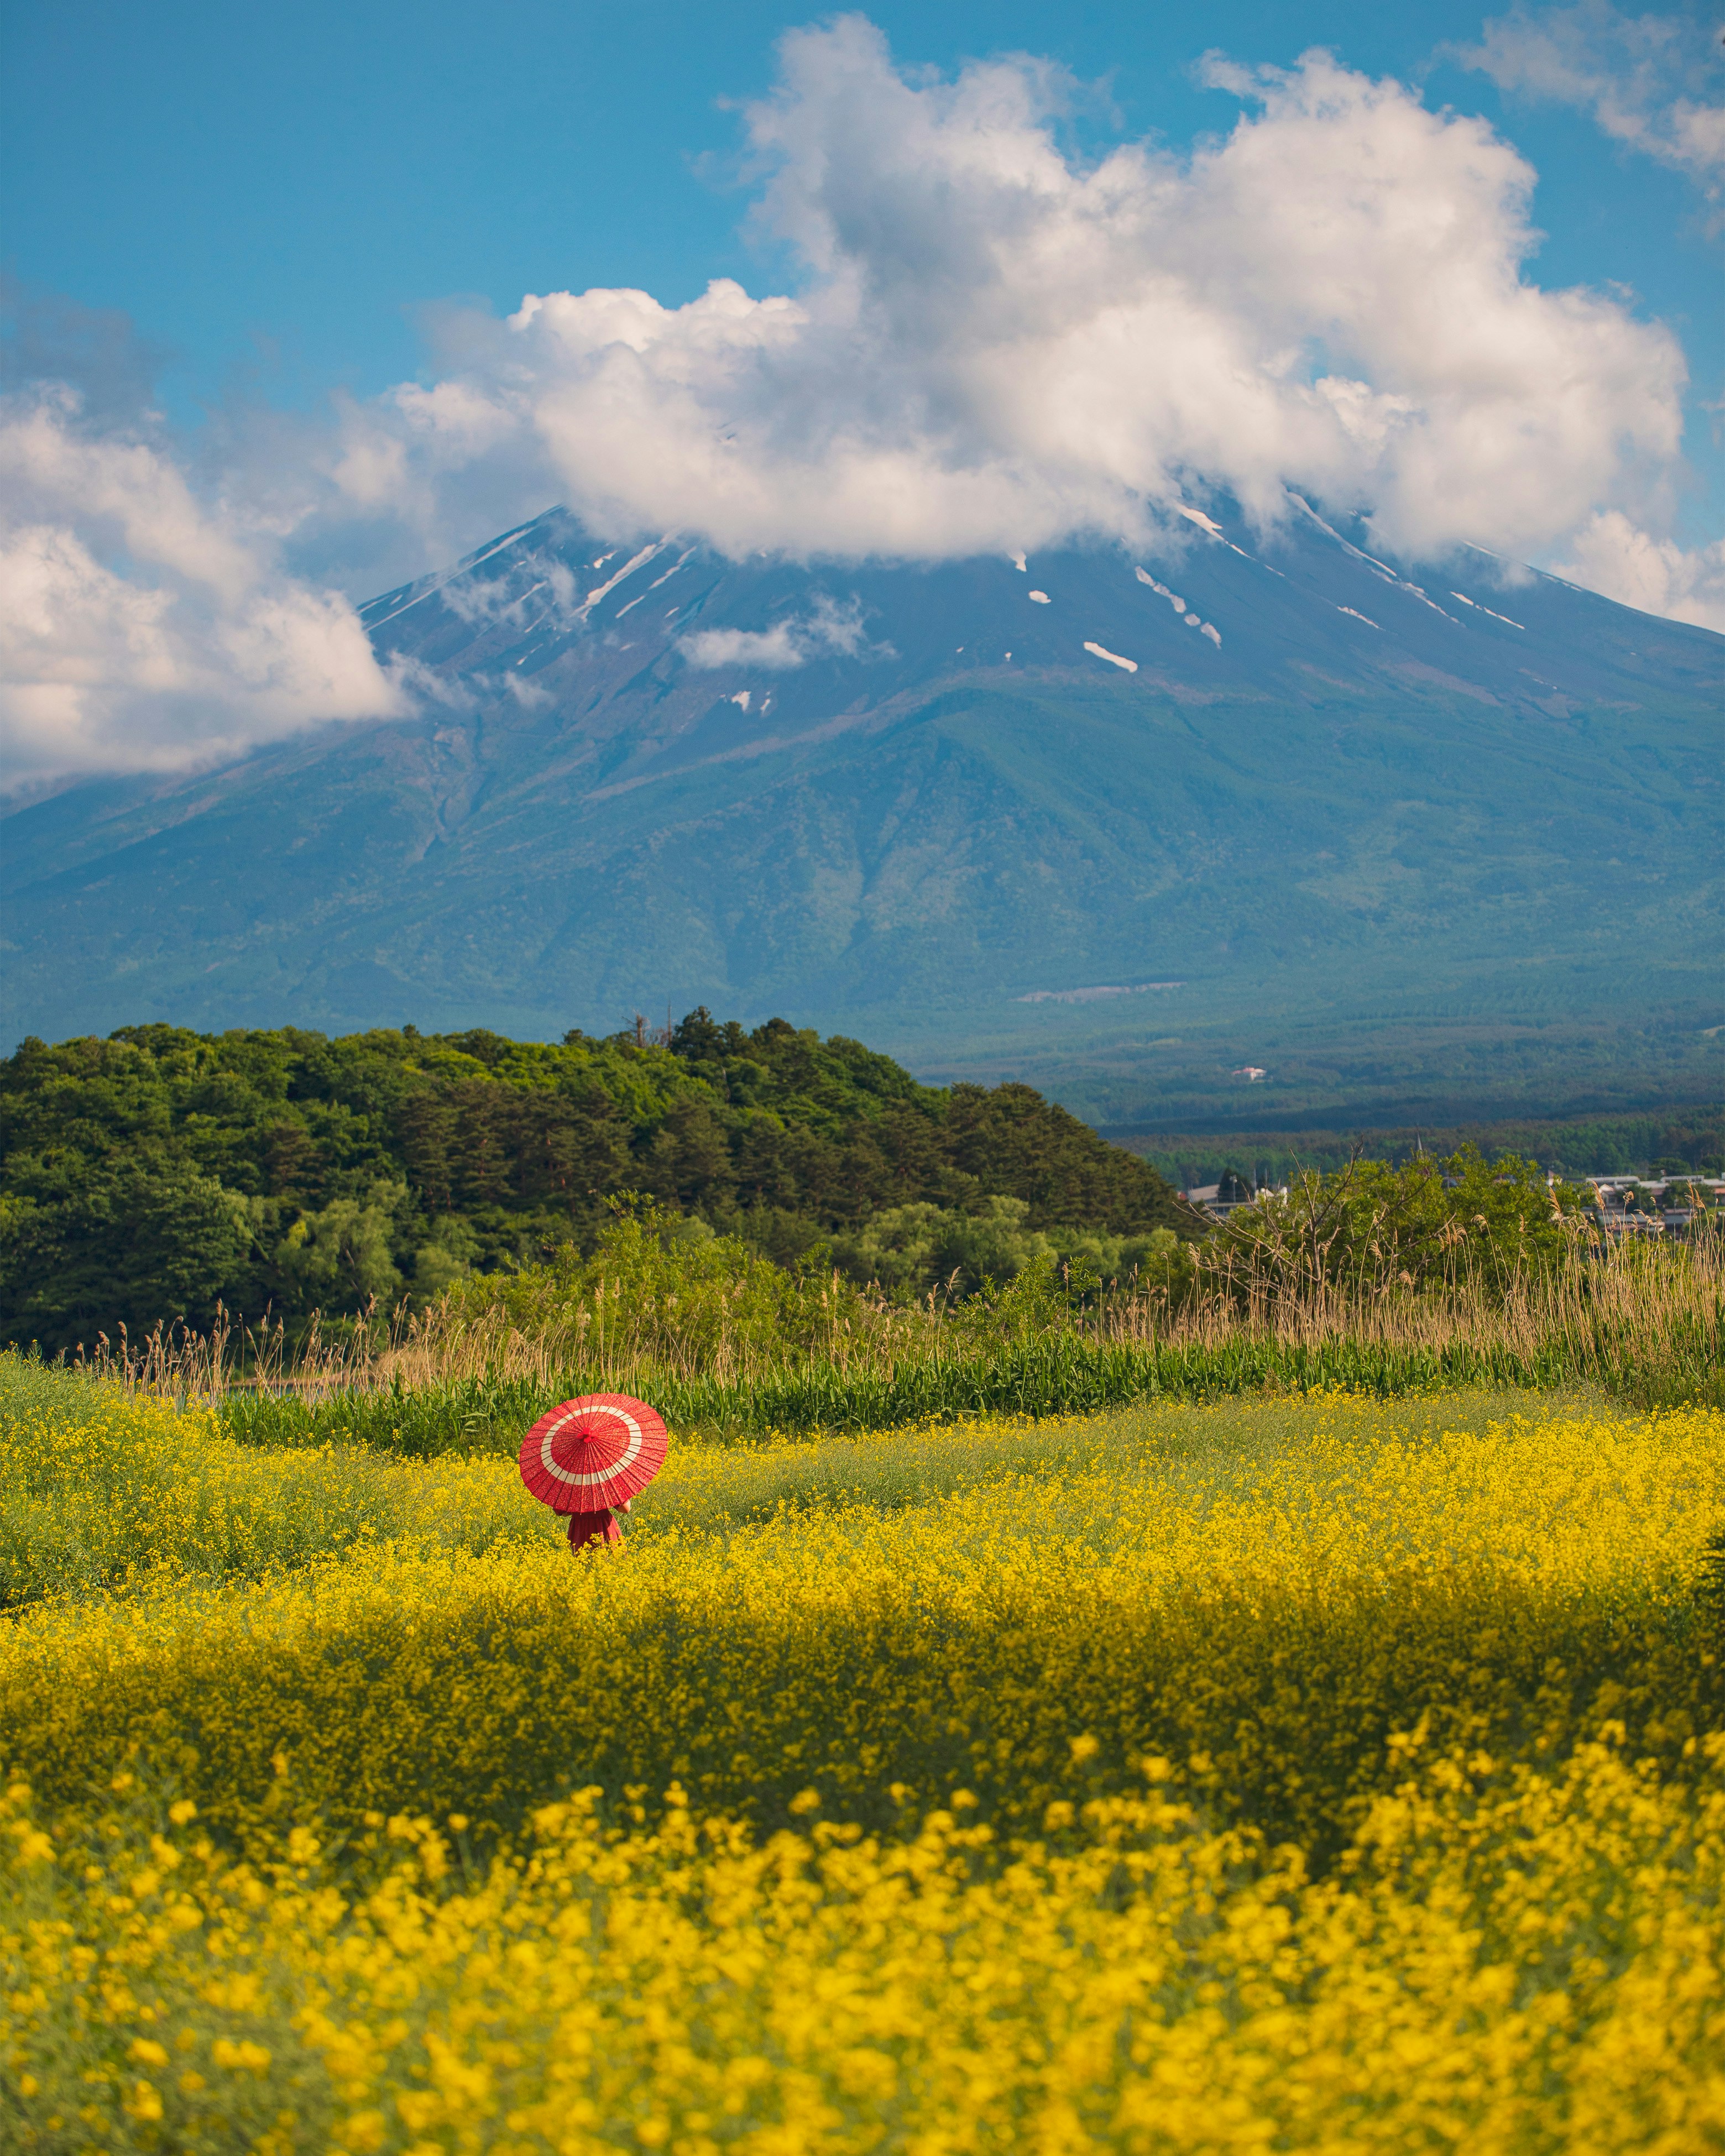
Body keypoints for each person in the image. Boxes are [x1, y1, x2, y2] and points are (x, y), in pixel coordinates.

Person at [563, 1497, 631, 1552]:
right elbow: (625, 1509)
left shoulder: (570, 1484)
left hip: (579, 1529)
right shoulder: (603, 1483)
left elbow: (562, 1512)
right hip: (603, 1526)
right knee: (610, 1561)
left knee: (581, 1563)